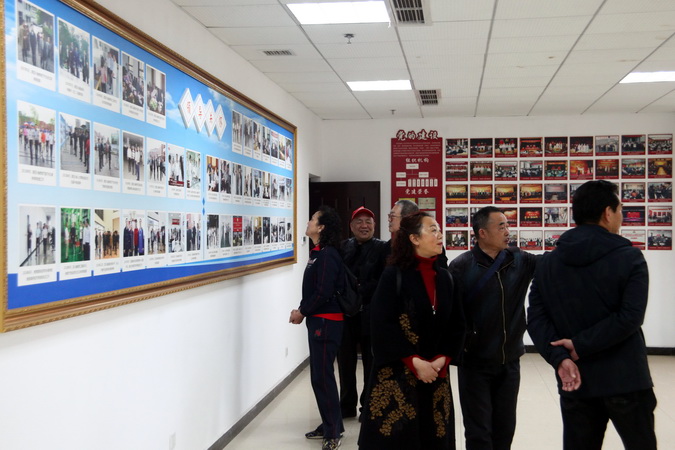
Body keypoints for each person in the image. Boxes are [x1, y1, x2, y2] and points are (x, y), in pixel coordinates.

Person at [527, 180, 656, 450]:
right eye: (620, 209)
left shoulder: (548, 263)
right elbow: (630, 317)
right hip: (625, 378)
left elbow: (536, 318)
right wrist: (580, 345)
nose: (621, 216)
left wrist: (560, 357)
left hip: (576, 380)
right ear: (608, 213)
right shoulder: (629, 258)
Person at [358, 212, 465, 450]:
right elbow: (382, 324)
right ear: (414, 239)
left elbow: (458, 325)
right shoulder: (393, 275)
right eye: (433, 230)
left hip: (436, 376)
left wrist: (442, 360)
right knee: (398, 438)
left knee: (434, 437)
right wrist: (414, 362)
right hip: (398, 376)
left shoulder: (446, 278)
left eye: (439, 230)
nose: (440, 235)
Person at [448, 206, 538, 450]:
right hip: (475, 363)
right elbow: (451, 315)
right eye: (501, 227)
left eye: (508, 226)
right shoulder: (461, 267)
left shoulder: (519, 261)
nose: (508, 231)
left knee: (505, 429)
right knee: (479, 432)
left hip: (510, 361)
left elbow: (552, 265)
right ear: (482, 233)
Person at [289, 206, 345, 450]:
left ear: (321, 227)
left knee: (322, 378)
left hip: (326, 322)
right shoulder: (318, 252)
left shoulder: (327, 255)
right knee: (320, 376)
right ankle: (331, 423)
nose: (308, 222)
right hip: (319, 321)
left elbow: (323, 292)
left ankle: (333, 433)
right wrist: (304, 311)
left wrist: (302, 311)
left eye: (312, 219)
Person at [338, 206, 387, 420]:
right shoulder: (342, 247)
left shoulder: (383, 248)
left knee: (371, 363)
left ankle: (367, 407)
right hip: (346, 315)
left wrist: (360, 289)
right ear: (351, 226)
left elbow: (384, 280)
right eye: (359, 221)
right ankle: (346, 405)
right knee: (345, 363)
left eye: (368, 221)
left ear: (374, 226)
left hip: (371, 315)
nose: (364, 225)